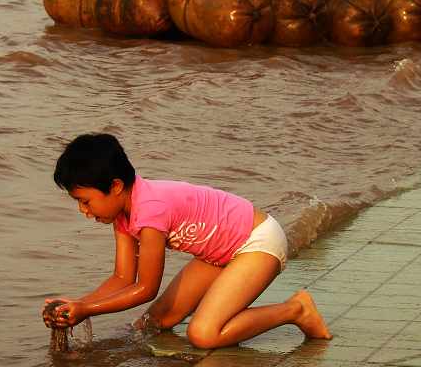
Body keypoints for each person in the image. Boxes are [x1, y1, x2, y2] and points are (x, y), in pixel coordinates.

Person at [42, 133, 332, 350]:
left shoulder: (150, 210)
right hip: (218, 254)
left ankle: (296, 309)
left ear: (115, 186)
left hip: (256, 241)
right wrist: (77, 304)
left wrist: (87, 310)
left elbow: (146, 288)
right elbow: (122, 278)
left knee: (203, 334)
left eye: (85, 201)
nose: (84, 210)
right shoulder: (122, 214)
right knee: (153, 323)